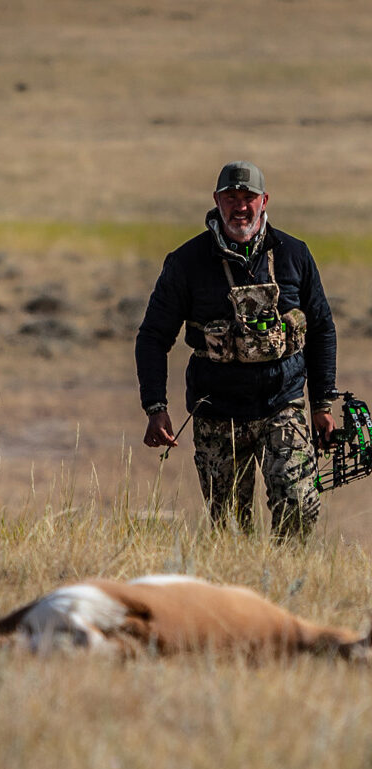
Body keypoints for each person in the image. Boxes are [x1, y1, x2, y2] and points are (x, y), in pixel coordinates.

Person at [135, 161, 337, 539]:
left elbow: (322, 327)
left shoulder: (294, 254)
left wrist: (322, 404)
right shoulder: (186, 262)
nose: (240, 207)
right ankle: (240, 585)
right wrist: (155, 407)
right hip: (217, 411)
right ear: (216, 200)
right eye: (231, 197)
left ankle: (282, 583)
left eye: (249, 198)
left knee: (298, 504)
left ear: (265, 201)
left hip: (283, 402)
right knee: (229, 524)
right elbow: (152, 337)